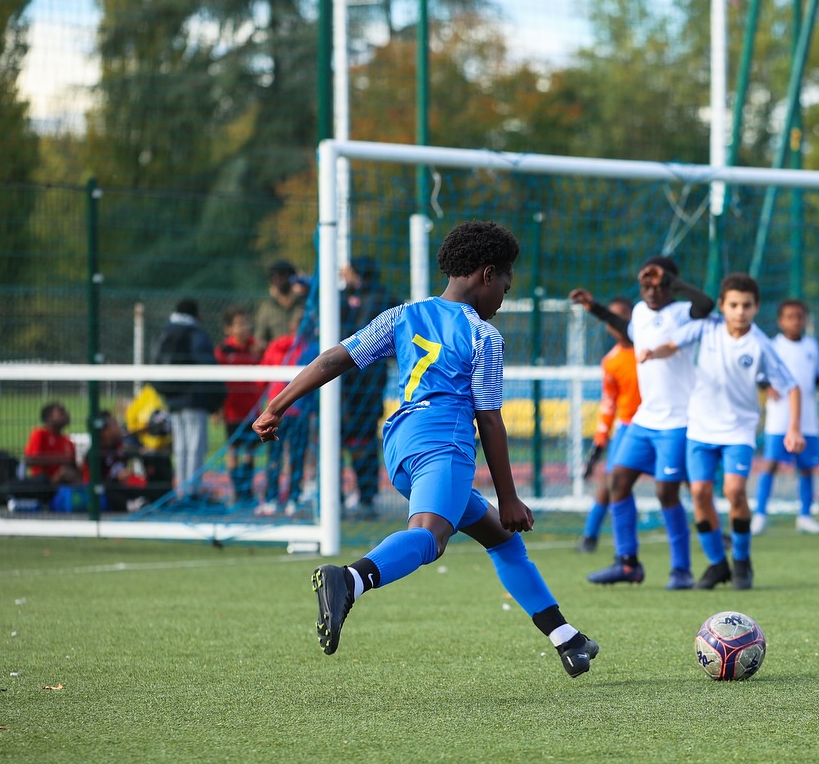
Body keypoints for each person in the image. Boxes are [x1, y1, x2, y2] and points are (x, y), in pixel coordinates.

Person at [253, 220, 599, 678]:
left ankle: (566, 638)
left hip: (401, 444)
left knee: (501, 539)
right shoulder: (482, 336)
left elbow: (335, 358)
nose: (503, 297)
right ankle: (350, 579)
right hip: (445, 443)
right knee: (431, 536)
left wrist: (275, 405)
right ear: (487, 274)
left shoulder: (403, 315)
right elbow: (489, 420)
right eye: (506, 285)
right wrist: (510, 497)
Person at [641, 273, 803, 591]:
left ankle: (742, 561)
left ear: (756, 307)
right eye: (734, 305)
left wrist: (794, 428)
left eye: (746, 305)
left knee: (734, 491)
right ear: (722, 306)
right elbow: (672, 344)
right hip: (701, 427)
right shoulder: (707, 327)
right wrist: (653, 352)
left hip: (739, 431)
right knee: (700, 493)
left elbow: (791, 386)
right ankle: (718, 564)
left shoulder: (761, 344)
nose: (740, 311)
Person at [569, 255, 717, 589]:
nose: (650, 290)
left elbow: (706, 304)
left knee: (666, 492)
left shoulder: (682, 312)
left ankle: (681, 570)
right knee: (617, 482)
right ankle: (627, 563)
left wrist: (671, 280)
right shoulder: (639, 311)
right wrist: (594, 307)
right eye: (645, 284)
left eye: (658, 284)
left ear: (671, 286)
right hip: (645, 419)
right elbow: (628, 330)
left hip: (677, 421)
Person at [752, 299, 819, 536]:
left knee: (806, 467)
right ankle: (760, 514)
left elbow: (816, 376)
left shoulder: (812, 346)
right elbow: (760, 374)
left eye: (799, 316)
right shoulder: (773, 345)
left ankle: (805, 515)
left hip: (807, 418)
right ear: (781, 321)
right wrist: (767, 387)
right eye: (790, 317)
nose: (795, 321)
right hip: (780, 417)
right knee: (771, 463)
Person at [577, 297, 639, 553]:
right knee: (611, 480)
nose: (618, 322)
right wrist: (598, 445)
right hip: (628, 428)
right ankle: (589, 536)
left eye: (623, 315)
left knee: (687, 479)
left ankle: (716, 531)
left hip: (661, 424)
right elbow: (609, 405)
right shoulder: (611, 362)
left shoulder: (650, 350)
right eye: (613, 318)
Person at [340, 257, 395, 519]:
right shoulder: (349, 298)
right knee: (349, 438)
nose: (343, 275)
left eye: (348, 271)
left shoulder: (376, 301)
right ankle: (357, 495)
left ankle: (365, 495)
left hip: (360, 383)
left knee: (359, 438)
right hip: (357, 382)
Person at [154, 298, 224, 501]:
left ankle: (183, 489)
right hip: (194, 399)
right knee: (195, 446)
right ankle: (193, 490)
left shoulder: (165, 332)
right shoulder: (196, 335)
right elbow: (208, 367)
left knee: (181, 447)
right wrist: (217, 398)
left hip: (173, 398)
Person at [255, 316, 313, 516]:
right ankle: (293, 499)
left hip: (277, 410)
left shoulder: (274, 348)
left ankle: (271, 499)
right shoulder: (310, 350)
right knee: (296, 456)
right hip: (298, 411)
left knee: (275, 456)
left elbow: (261, 380)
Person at [215, 306, 264, 506]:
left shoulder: (256, 348)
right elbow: (217, 380)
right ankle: (237, 490)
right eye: (238, 324)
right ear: (229, 329)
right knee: (233, 449)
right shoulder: (223, 351)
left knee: (250, 450)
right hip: (232, 409)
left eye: (246, 323)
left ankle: (248, 490)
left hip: (252, 409)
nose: (243, 327)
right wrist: (217, 409)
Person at [254, 259, 307, 350]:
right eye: (274, 277)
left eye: (282, 275)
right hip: (276, 356)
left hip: (302, 355)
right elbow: (259, 340)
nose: (278, 280)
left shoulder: (304, 305)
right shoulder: (266, 308)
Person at [24, 402, 82, 484]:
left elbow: (74, 466)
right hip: (43, 482)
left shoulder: (68, 442)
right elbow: (29, 460)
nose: (66, 415)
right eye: (61, 412)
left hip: (64, 482)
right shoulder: (39, 434)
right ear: (49, 417)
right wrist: (60, 460)